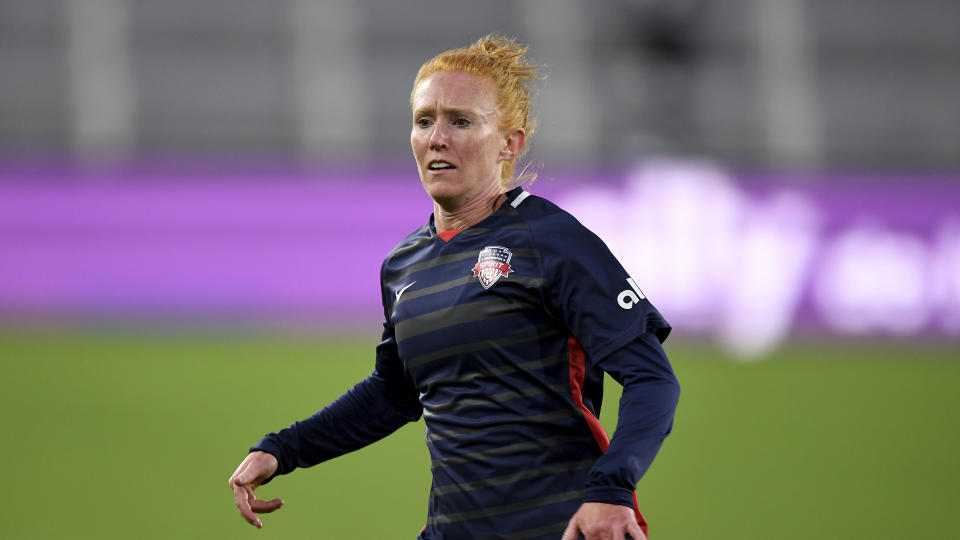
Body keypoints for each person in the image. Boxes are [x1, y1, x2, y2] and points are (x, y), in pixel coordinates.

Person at [229, 35, 680, 540]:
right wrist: (283, 448)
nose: (436, 138)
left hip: (566, 525)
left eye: (460, 121)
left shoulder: (553, 241)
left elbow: (652, 379)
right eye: (424, 120)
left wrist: (611, 489)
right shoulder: (404, 265)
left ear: (510, 143)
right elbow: (394, 393)